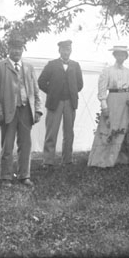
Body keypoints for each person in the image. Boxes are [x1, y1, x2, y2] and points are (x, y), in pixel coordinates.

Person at [0, 35, 43, 187]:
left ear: (22, 50)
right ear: (9, 49)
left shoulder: (29, 67)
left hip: (26, 111)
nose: (17, 51)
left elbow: (36, 91)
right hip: (7, 112)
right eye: (14, 48)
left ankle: (24, 176)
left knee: (26, 145)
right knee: (7, 145)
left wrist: (37, 110)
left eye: (19, 48)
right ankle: (6, 177)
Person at [88, 45, 129, 168]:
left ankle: (121, 158)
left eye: (123, 54)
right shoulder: (107, 71)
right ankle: (102, 160)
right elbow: (102, 90)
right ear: (114, 55)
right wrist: (104, 106)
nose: (121, 57)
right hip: (112, 100)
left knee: (123, 128)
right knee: (109, 127)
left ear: (126, 56)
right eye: (118, 54)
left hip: (125, 101)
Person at [38, 39, 84, 167]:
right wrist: (52, 92)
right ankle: (48, 161)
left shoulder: (75, 65)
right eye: (63, 50)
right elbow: (41, 82)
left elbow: (80, 84)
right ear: (59, 51)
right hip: (55, 102)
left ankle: (67, 160)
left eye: (68, 49)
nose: (66, 52)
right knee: (51, 132)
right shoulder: (51, 64)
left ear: (71, 51)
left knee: (69, 132)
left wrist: (72, 92)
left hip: (70, 102)